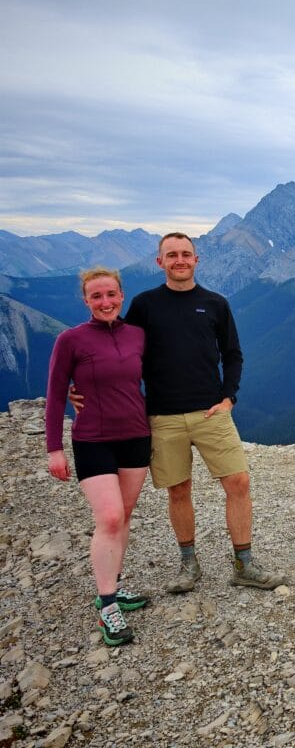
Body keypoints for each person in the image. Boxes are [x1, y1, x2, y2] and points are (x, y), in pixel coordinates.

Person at [75, 232, 286, 593]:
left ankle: (244, 564)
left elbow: (233, 354)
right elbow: (116, 350)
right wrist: (78, 385)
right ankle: (190, 566)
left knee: (238, 483)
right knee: (179, 490)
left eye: (186, 254)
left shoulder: (216, 304)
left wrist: (228, 398)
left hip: (211, 412)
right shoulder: (144, 305)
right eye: (171, 255)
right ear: (160, 262)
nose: (179, 260)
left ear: (196, 259)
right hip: (162, 416)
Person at [46, 267, 151, 646]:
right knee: (109, 517)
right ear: (86, 300)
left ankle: (115, 585)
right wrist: (54, 448)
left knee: (124, 515)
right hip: (92, 439)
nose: (105, 302)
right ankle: (107, 604)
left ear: (122, 295)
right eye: (96, 296)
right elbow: (57, 393)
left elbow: (156, 376)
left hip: (136, 436)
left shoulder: (138, 335)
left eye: (111, 294)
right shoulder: (70, 340)